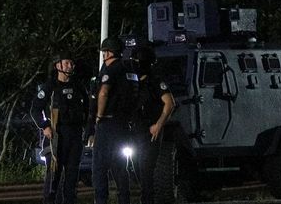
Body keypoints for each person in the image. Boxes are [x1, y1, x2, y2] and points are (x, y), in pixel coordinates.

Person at [30, 51, 89, 204]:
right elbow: (35, 109)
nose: (70, 66)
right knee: (53, 179)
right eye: (67, 63)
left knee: (72, 178)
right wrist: (45, 126)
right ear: (58, 65)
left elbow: (88, 108)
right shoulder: (49, 86)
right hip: (56, 135)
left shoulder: (78, 86)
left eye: (72, 63)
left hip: (75, 135)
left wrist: (89, 129)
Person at [87, 37, 131, 204]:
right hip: (123, 125)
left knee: (99, 168)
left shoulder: (110, 70)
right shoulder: (128, 70)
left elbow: (104, 93)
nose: (104, 55)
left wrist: (98, 116)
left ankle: (101, 201)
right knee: (120, 168)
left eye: (105, 52)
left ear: (109, 52)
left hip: (108, 123)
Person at [132, 44, 175, 204]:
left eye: (137, 60)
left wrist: (159, 124)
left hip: (150, 131)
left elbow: (169, 103)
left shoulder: (155, 82)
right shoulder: (132, 82)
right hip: (134, 131)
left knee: (146, 170)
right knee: (137, 169)